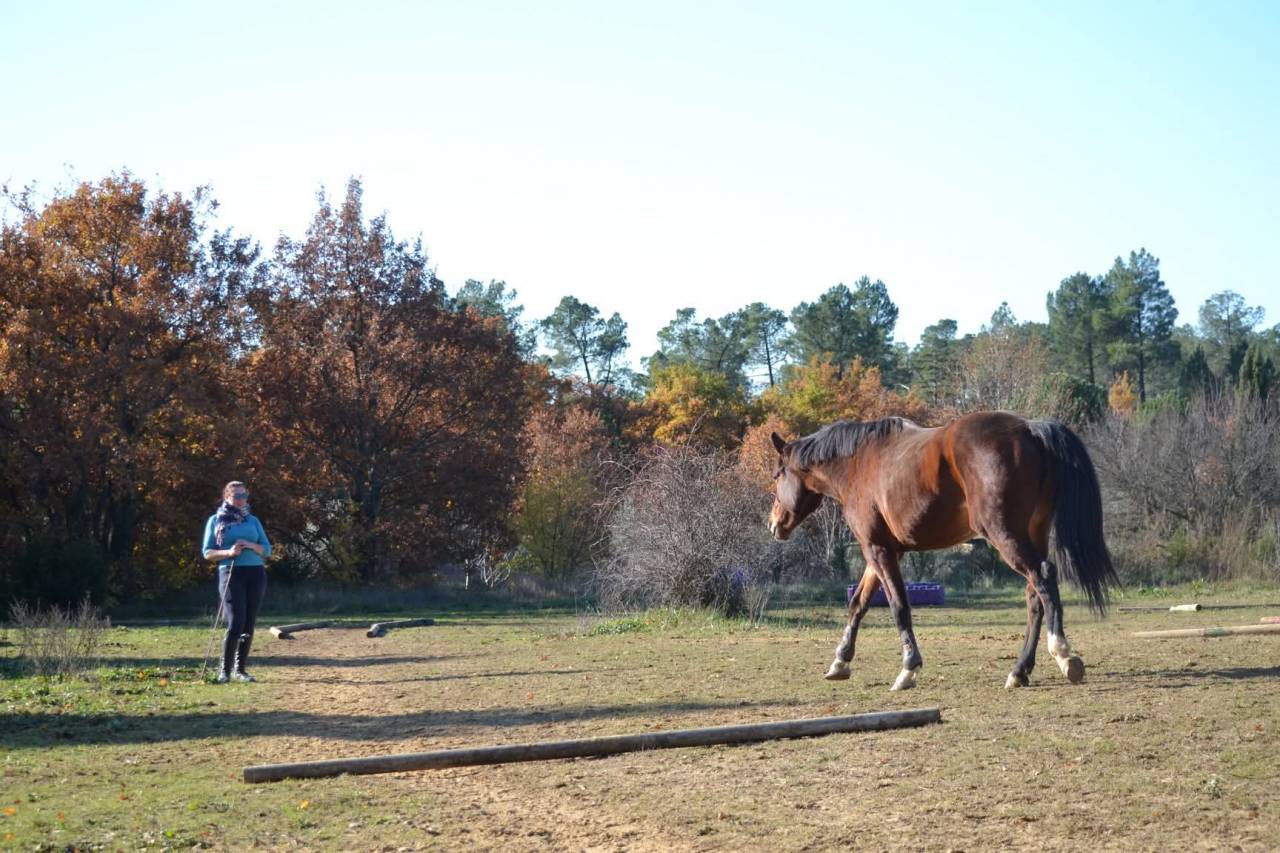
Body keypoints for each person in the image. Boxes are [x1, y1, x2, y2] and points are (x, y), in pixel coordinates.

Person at [202, 481, 271, 683]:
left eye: (244, 496)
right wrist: (229, 552)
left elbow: (267, 549)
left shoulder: (253, 521)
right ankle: (224, 670)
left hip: (256, 573)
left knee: (249, 621)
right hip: (230, 573)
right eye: (237, 496)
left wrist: (251, 545)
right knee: (236, 621)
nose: (242, 500)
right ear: (227, 497)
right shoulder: (216, 520)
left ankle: (240, 670)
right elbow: (207, 552)